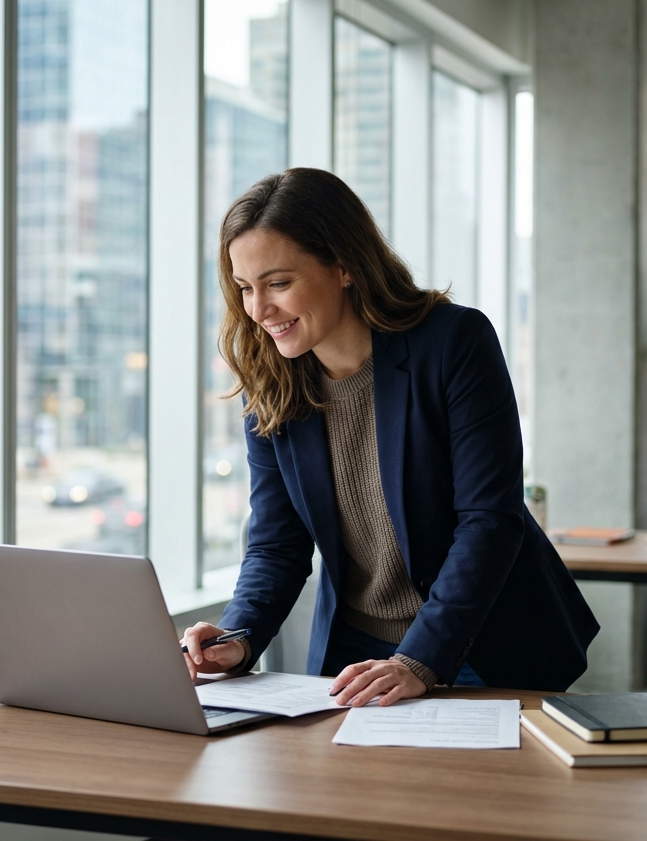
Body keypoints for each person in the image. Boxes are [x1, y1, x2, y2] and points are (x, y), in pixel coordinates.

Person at [180, 168, 599, 707]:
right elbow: (276, 545)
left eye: (278, 283)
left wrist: (418, 659)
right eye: (244, 288)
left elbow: (489, 522)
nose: (258, 311)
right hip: (354, 652)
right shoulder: (271, 382)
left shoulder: (454, 343)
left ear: (344, 265)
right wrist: (236, 638)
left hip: (477, 642)